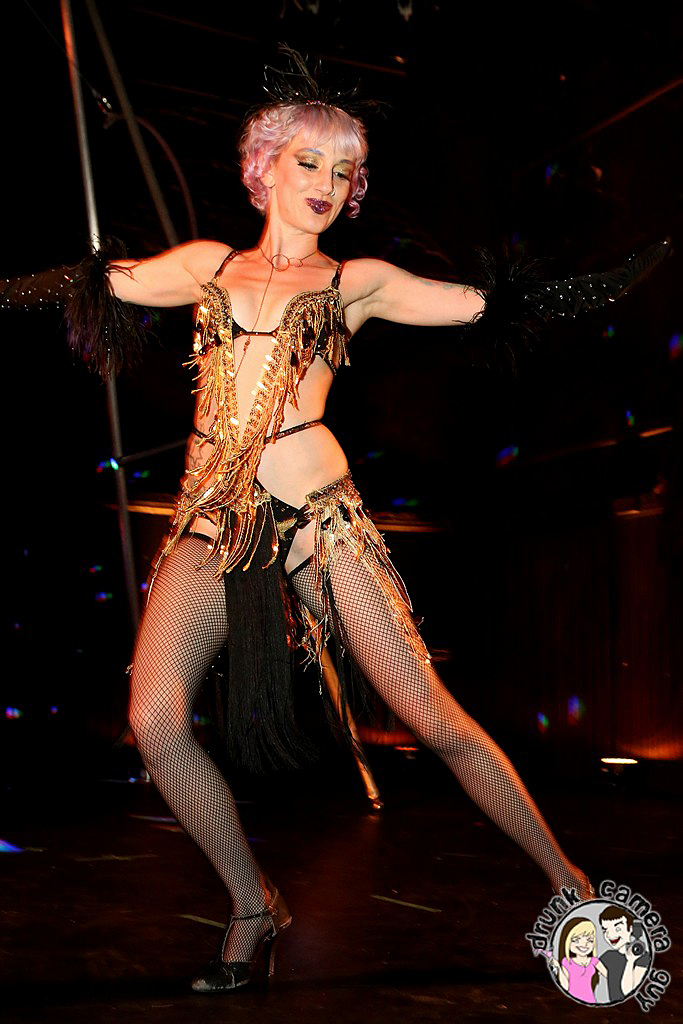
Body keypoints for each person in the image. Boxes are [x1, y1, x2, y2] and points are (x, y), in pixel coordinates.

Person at [1, 49, 669, 995]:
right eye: (308, 161)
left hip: (319, 520)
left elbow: (487, 306)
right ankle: (252, 903)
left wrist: (603, 284)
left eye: (344, 170)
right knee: (153, 719)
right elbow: (88, 282)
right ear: (263, 166)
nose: (326, 182)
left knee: (431, 718)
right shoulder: (206, 267)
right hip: (212, 522)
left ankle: (570, 889)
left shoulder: (355, 280)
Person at [599, 906, 651, 1001]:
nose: (610, 935)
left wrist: (630, 961)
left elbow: (628, 992)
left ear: (630, 929)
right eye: (605, 930)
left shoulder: (643, 957)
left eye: (618, 929)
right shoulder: (608, 956)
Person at [550, 916, 607, 1003]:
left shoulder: (594, 961)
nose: (584, 944)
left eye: (590, 940)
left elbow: (610, 976)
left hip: (590, 1001)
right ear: (567, 941)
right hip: (571, 1001)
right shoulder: (566, 962)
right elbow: (565, 986)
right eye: (576, 940)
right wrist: (558, 967)